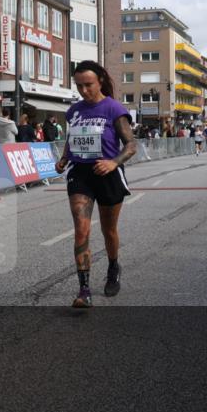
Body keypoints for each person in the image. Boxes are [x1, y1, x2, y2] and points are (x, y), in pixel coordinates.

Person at [54, 60, 137, 308]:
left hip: (108, 174)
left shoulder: (114, 109)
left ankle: (113, 266)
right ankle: (84, 289)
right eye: (79, 86)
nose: (83, 91)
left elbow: (131, 145)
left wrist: (113, 163)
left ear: (100, 80)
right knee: (82, 229)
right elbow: (72, 138)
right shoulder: (74, 111)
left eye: (88, 85)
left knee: (108, 230)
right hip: (80, 173)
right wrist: (64, 157)